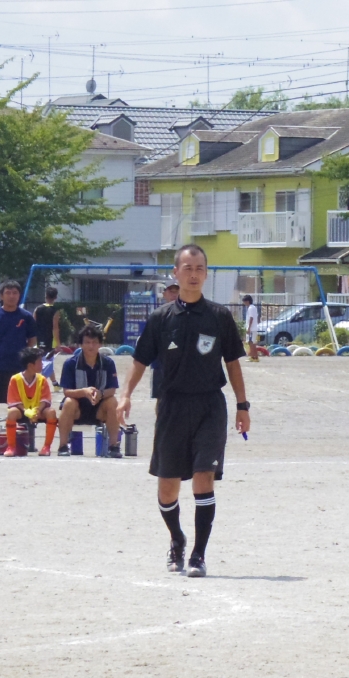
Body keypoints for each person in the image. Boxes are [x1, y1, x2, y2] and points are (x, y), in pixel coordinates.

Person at [116, 244, 250, 579]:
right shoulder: (161, 319)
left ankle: (198, 555)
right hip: (172, 406)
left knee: (204, 478)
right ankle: (176, 538)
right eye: (187, 268)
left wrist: (242, 405)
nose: (193, 274)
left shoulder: (219, 316)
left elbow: (233, 363)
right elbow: (140, 361)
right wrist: (125, 395)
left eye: (199, 268)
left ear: (206, 274)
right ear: (176, 273)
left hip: (209, 406)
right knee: (167, 488)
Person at [0, 281, 37, 453]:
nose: (11, 296)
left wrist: (26, 359)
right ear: (1, 296)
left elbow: (32, 340)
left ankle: (23, 438)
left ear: (19, 295)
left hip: (20, 369)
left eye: (15, 293)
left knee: (22, 405)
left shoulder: (26, 317)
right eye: (8, 292)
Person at [57, 324, 122, 457]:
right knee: (68, 402)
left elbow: (112, 389)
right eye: (87, 342)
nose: (91, 346)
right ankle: (63, 446)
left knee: (113, 402)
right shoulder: (70, 363)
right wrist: (84, 392)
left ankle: (114, 446)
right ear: (80, 344)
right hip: (78, 409)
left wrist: (101, 394)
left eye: (94, 342)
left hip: (99, 409)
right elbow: (67, 391)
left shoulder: (108, 363)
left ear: (100, 344)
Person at [2, 347, 57, 457]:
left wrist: (37, 411)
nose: (42, 364)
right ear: (31, 365)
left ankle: (46, 447)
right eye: (40, 361)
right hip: (22, 411)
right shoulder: (15, 379)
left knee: (51, 412)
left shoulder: (42, 379)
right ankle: (11, 447)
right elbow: (14, 400)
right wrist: (26, 411)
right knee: (12, 413)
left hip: (38, 411)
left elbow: (45, 399)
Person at [34, 287, 62, 363]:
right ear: (55, 297)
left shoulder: (37, 309)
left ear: (45, 296)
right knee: (49, 361)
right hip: (50, 339)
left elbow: (33, 325)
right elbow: (55, 328)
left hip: (38, 338)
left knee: (39, 359)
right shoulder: (55, 311)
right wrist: (58, 343)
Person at [242, 295, 261, 362]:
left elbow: (251, 318)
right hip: (253, 328)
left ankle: (255, 357)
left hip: (252, 329)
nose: (244, 303)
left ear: (247, 301)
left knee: (252, 343)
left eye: (244, 302)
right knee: (251, 342)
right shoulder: (253, 308)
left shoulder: (251, 308)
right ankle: (253, 356)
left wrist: (249, 328)